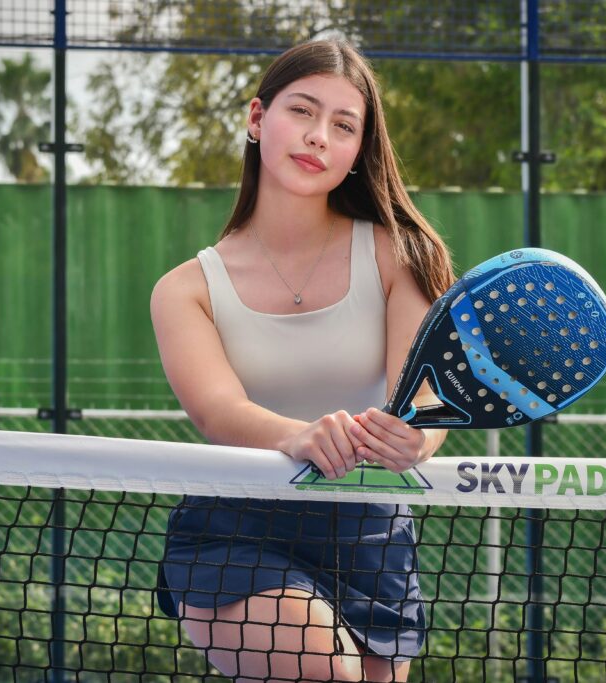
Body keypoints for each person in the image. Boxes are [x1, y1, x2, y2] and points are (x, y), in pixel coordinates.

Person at [151, 39, 455, 682]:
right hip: (237, 529)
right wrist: (300, 436)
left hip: (371, 532)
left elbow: (423, 397)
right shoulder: (186, 290)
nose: (319, 136)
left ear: (356, 154)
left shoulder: (404, 254)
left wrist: (416, 439)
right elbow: (217, 409)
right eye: (302, 112)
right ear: (258, 120)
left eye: (344, 126)